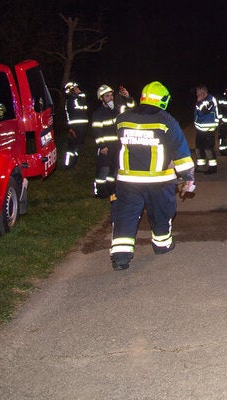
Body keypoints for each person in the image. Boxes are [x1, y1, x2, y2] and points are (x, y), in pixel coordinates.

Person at [110, 81, 195, 271]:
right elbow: (180, 153)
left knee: (125, 216)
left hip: (128, 181)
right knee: (161, 212)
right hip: (159, 181)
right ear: (163, 100)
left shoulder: (122, 119)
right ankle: (162, 245)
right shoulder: (167, 121)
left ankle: (120, 256)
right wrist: (188, 178)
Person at [90, 85, 120, 204]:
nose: (110, 98)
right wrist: (102, 146)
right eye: (107, 96)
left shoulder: (116, 110)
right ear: (101, 98)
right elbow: (97, 130)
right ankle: (100, 192)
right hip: (105, 148)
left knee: (113, 171)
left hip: (116, 146)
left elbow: (131, 109)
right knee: (103, 170)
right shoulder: (98, 113)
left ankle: (111, 191)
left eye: (111, 95)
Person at [63, 81, 89, 168]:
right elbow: (82, 100)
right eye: (75, 88)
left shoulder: (75, 98)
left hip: (82, 126)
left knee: (78, 145)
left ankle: (73, 162)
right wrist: (70, 128)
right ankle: (68, 164)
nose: (78, 89)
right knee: (72, 146)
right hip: (75, 127)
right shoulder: (72, 100)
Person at [193, 84, 219, 174]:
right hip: (200, 130)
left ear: (203, 92)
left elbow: (205, 110)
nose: (197, 94)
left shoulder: (211, 99)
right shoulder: (202, 100)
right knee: (199, 148)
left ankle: (213, 168)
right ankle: (200, 166)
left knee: (208, 149)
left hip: (208, 130)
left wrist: (199, 102)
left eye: (198, 92)